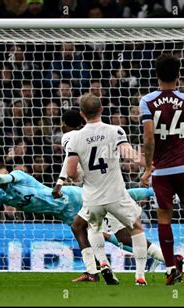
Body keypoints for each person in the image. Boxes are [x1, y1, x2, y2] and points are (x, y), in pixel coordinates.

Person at [0, 162, 174, 282]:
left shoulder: (17, 175)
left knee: (119, 197)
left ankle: (156, 190)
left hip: (71, 197)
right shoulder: (3, 197)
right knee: (113, 239)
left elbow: (1, 178)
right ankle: (162, 258)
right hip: (66, 214)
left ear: (2, 170)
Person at [140, 53, 184, 286]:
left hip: (162, 171)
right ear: (179, 75)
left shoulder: (147, 101)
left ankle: (171, 267)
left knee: (164, 218)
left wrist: (148, 166)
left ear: (157, 75)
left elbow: (149, 137)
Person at [64, 94, 149, 286]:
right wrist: (150, 164)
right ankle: (140, 276)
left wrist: (78, 177)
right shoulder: (115, 131)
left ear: (82, 114)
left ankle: (102, 262)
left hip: (93, 198)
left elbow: (71, 172)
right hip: (116, 195)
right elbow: (131, 156)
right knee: (136, 229)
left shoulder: (75, 138)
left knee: (93, 227)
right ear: (102, 110)